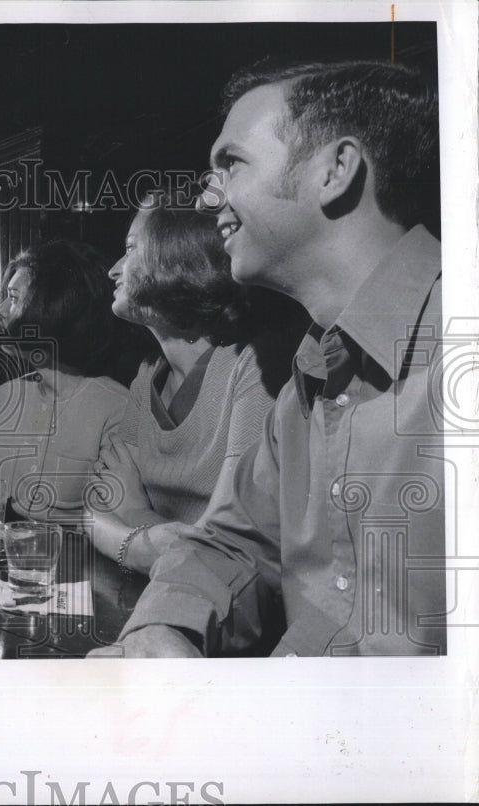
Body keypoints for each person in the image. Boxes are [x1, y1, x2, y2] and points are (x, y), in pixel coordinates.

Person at [99, 60, 445, 657]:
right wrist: (164, 629)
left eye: (230, 163)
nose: (208, 199)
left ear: (335, 171)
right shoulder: (306, 387)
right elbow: (234, 545)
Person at [86, 194, 295, 575]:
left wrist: (132, 515)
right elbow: (95, 507)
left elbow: (223, 546)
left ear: (178, 257)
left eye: (131, 250)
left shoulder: (253, 367)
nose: (114, 270)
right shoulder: (146, 375)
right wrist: (146, 538)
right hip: (158, 593)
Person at [0, 239, 129, 524]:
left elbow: (114, 524)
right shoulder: (5, 396)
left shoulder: (115, 407)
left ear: (55, 308)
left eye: (13, 298)